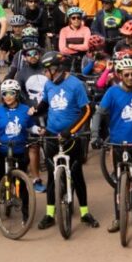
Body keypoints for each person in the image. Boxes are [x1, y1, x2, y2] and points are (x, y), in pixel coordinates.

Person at [35, 52, 99, 230]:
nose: (45, 74)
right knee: (51, 177)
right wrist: (35, 111)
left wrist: (70, 131)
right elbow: (46, 104)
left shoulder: (76, 85)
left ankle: (85, 213)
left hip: (71, 137)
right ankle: (49, 214)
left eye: (46, 71)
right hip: (52, 136)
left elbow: (86, 111)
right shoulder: (48, 85)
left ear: (56, 69)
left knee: (77, 175)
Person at [94, 58, 132, 234]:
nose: (130, 77)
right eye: (126, 74)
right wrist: (94, 135)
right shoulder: (112, 92)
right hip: (118, 144)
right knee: (118, 185)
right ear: (119, 75)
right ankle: (117, 218)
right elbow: (99, 114)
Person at [0, 78, 37, 227]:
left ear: (17, 94)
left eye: (11, 93)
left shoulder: (25, 109)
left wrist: (38, 130)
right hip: (1, 150)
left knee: (21, 181)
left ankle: (26, 214)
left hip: (20, 149)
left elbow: (30, 127)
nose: (7, 96)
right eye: (4, 93)